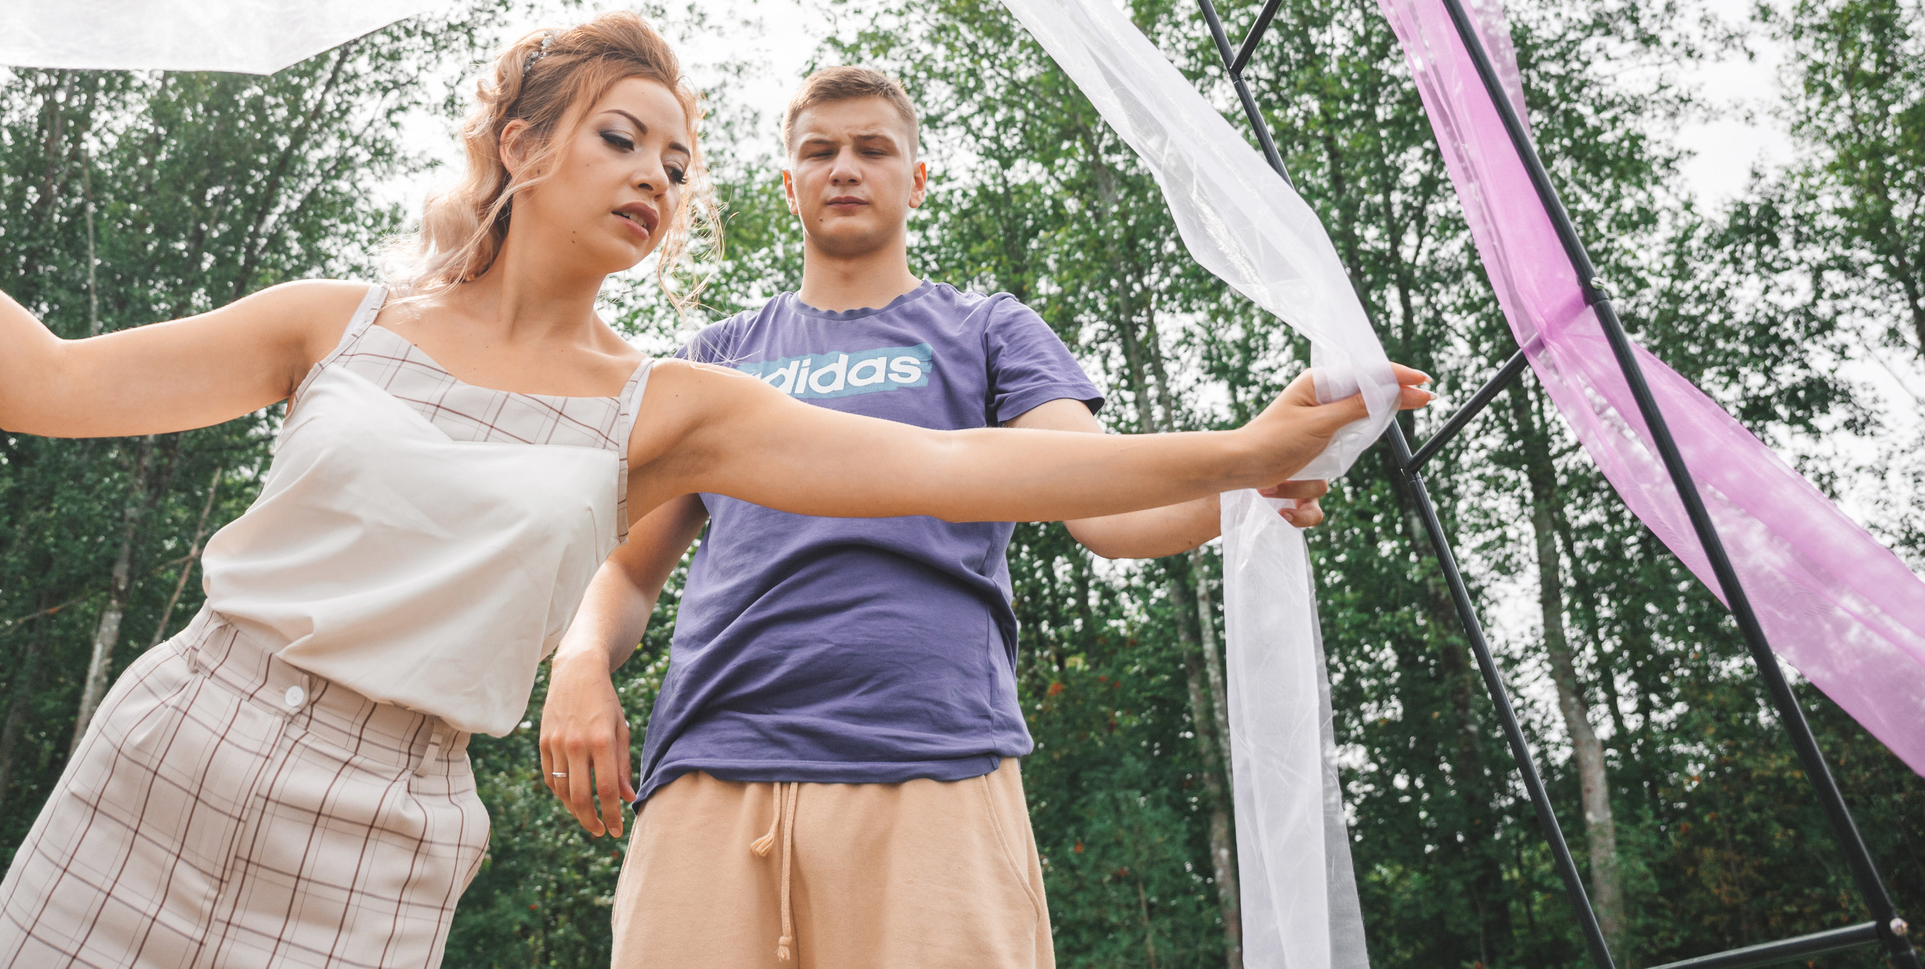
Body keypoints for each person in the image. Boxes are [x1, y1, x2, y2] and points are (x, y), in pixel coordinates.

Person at [0, 17, 1425, 969]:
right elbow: (36, 377)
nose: (658, 178)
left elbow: (973, 469)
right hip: (178, 748)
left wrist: (1237, 456)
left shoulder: (669, 402)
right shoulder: (337, 320)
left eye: (680, 161)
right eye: (626, 138)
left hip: (395, 823)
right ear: (522, 148)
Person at [542, 65, 1424, 969]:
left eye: (874, 148)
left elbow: (1101, 504)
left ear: (917, 177)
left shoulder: (986, 328)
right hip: (710, 766)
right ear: (789, 181)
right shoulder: (717, 358)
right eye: (820, 151)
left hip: (933, 761)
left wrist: (1244, 481)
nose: (846, 166)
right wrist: (578, 661)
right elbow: (625, 565)